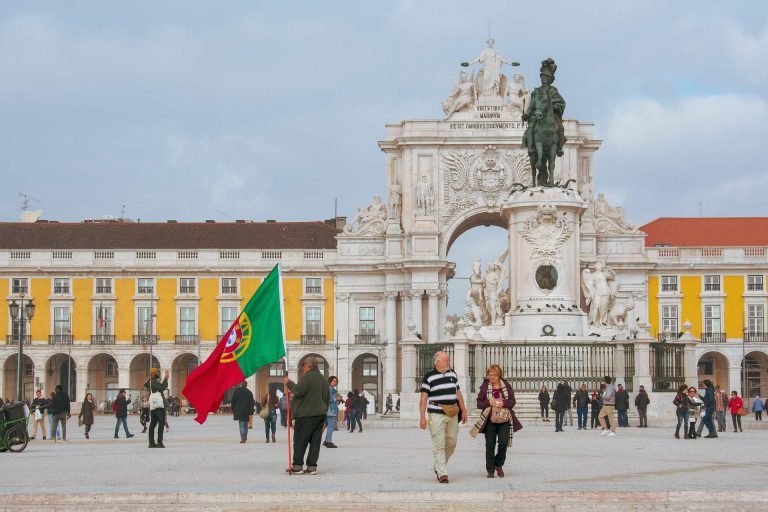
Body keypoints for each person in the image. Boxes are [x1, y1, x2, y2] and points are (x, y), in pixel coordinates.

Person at [419, 350, 468, 484]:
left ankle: (438, 465)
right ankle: (442, 473)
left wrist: (464, 410)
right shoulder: (429, 377)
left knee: (452, 442)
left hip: (452, 413)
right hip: (436, 414)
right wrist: (422, 417)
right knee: (439, 443)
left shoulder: (452, 374)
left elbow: (458, 393)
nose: (448, 362)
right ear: (438, 362)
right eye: (446, 360)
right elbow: (423, 398)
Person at [472, 365, 522, 478]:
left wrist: (503, 403)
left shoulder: (506, 386)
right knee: (490, 444)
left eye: (494, 374)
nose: (491, 377)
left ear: (499, 375)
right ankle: (490, 470)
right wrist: (489, 402)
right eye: (490, 374)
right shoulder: (485, 387)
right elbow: (479, 403)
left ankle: (498, 464)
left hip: (504, 418)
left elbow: (512, 401)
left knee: (503, 443)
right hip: (490, 419)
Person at [284, 356, 330, 475]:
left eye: (303, 365)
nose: (302, 368)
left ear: (307, 365)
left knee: (300, 441)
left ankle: (298, 466)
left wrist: (288, 382)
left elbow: (298, 391)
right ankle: (311, 467)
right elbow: (327, 398)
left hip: (306, 415)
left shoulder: (307, 378)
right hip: (320, 415)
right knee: (315, 443)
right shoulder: (324, 379)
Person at [144, 368, 169, 448]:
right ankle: (159, 442)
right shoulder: (153, 381)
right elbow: (161, 388)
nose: (158, 373)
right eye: (157, 372)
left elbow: (146, 385)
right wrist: (165, 379)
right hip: (159, 406)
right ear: (153, 374)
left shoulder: (151, 381)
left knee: (153, 423)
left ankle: (151, 443)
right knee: (161, 423)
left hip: (154, 406)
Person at [324, 376, 342, 448]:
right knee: (331, 427)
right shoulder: (330, 389)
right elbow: (328, 399)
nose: (335, 382)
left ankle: (326, 441)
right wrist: (337, 398)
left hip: (329, 410)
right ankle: (328, 442)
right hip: (331, 411)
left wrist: (338, 399)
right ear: (330, 381)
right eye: (333, 381)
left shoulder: (331, 389)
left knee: (328, 426)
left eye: (336, 381)